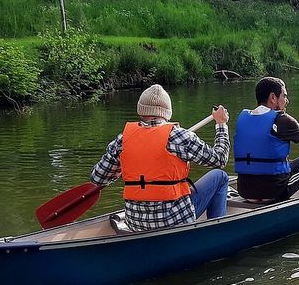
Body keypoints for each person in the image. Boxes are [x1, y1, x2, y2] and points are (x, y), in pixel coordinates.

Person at [90, 84, 230, 231]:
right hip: (174, 220)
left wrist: (121, 169)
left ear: (140, 110)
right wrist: (221, 124)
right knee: (219, 176)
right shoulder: (180, 136)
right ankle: (216, 232)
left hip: (136, 223)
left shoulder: (122, 140)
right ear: (167, 112)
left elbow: (97, 179)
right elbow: (220, 159)